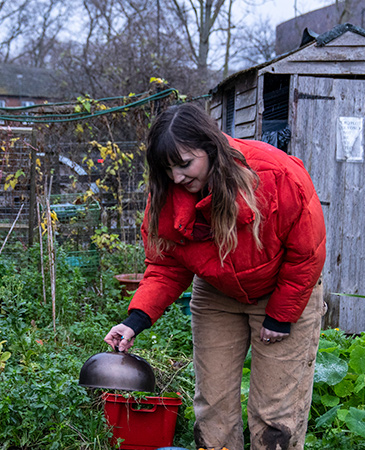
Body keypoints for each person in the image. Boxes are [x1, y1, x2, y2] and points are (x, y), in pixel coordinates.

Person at [104, 103, 326, 450]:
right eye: (168, 170)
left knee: (274, 413)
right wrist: (135, 320)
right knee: (213, 406)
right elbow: (166, 265)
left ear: (209, 147)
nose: (177, 177)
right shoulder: (167, 194)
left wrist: (282, 316)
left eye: (184, 164)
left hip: (284, 291)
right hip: (217, 294)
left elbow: (307, 252)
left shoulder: (273, 174)